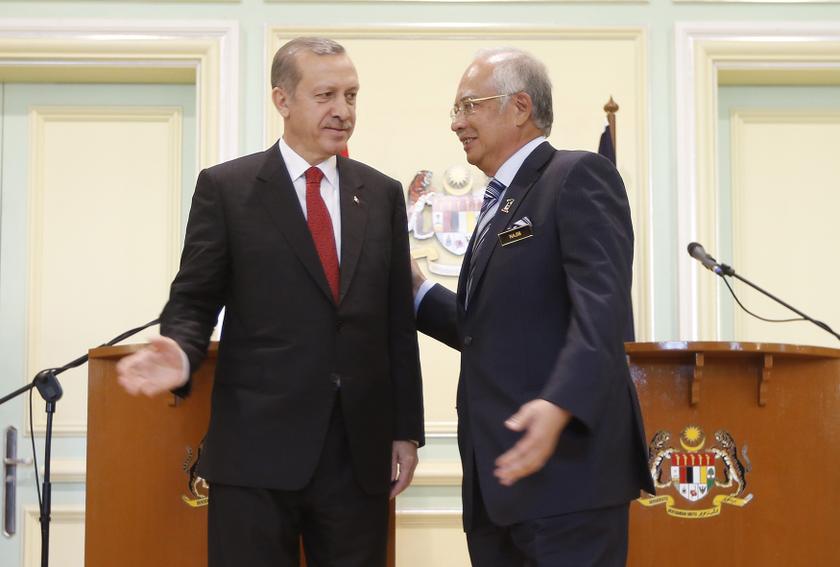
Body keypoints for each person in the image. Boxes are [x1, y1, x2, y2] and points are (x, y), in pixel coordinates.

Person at [116, 37, 424, 567]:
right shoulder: (227, 189)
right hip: (255, 452)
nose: (343, 111)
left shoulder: (382, 193)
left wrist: (406, 431)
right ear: (283, 100)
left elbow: (397, 321)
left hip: (357, 454)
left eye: (352, 96)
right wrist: (181, 350)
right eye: (326, 94)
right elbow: (193, 299)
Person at [413, 47, 653, 566]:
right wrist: (416, 292)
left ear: (519, 106)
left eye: (469, 105)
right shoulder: (497, 202)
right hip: (497, 483)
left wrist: (558, 404)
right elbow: (490, 330)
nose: (457, 123)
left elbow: (603, 309)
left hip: (569, 477)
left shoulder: (578, 176)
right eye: (455, 110)